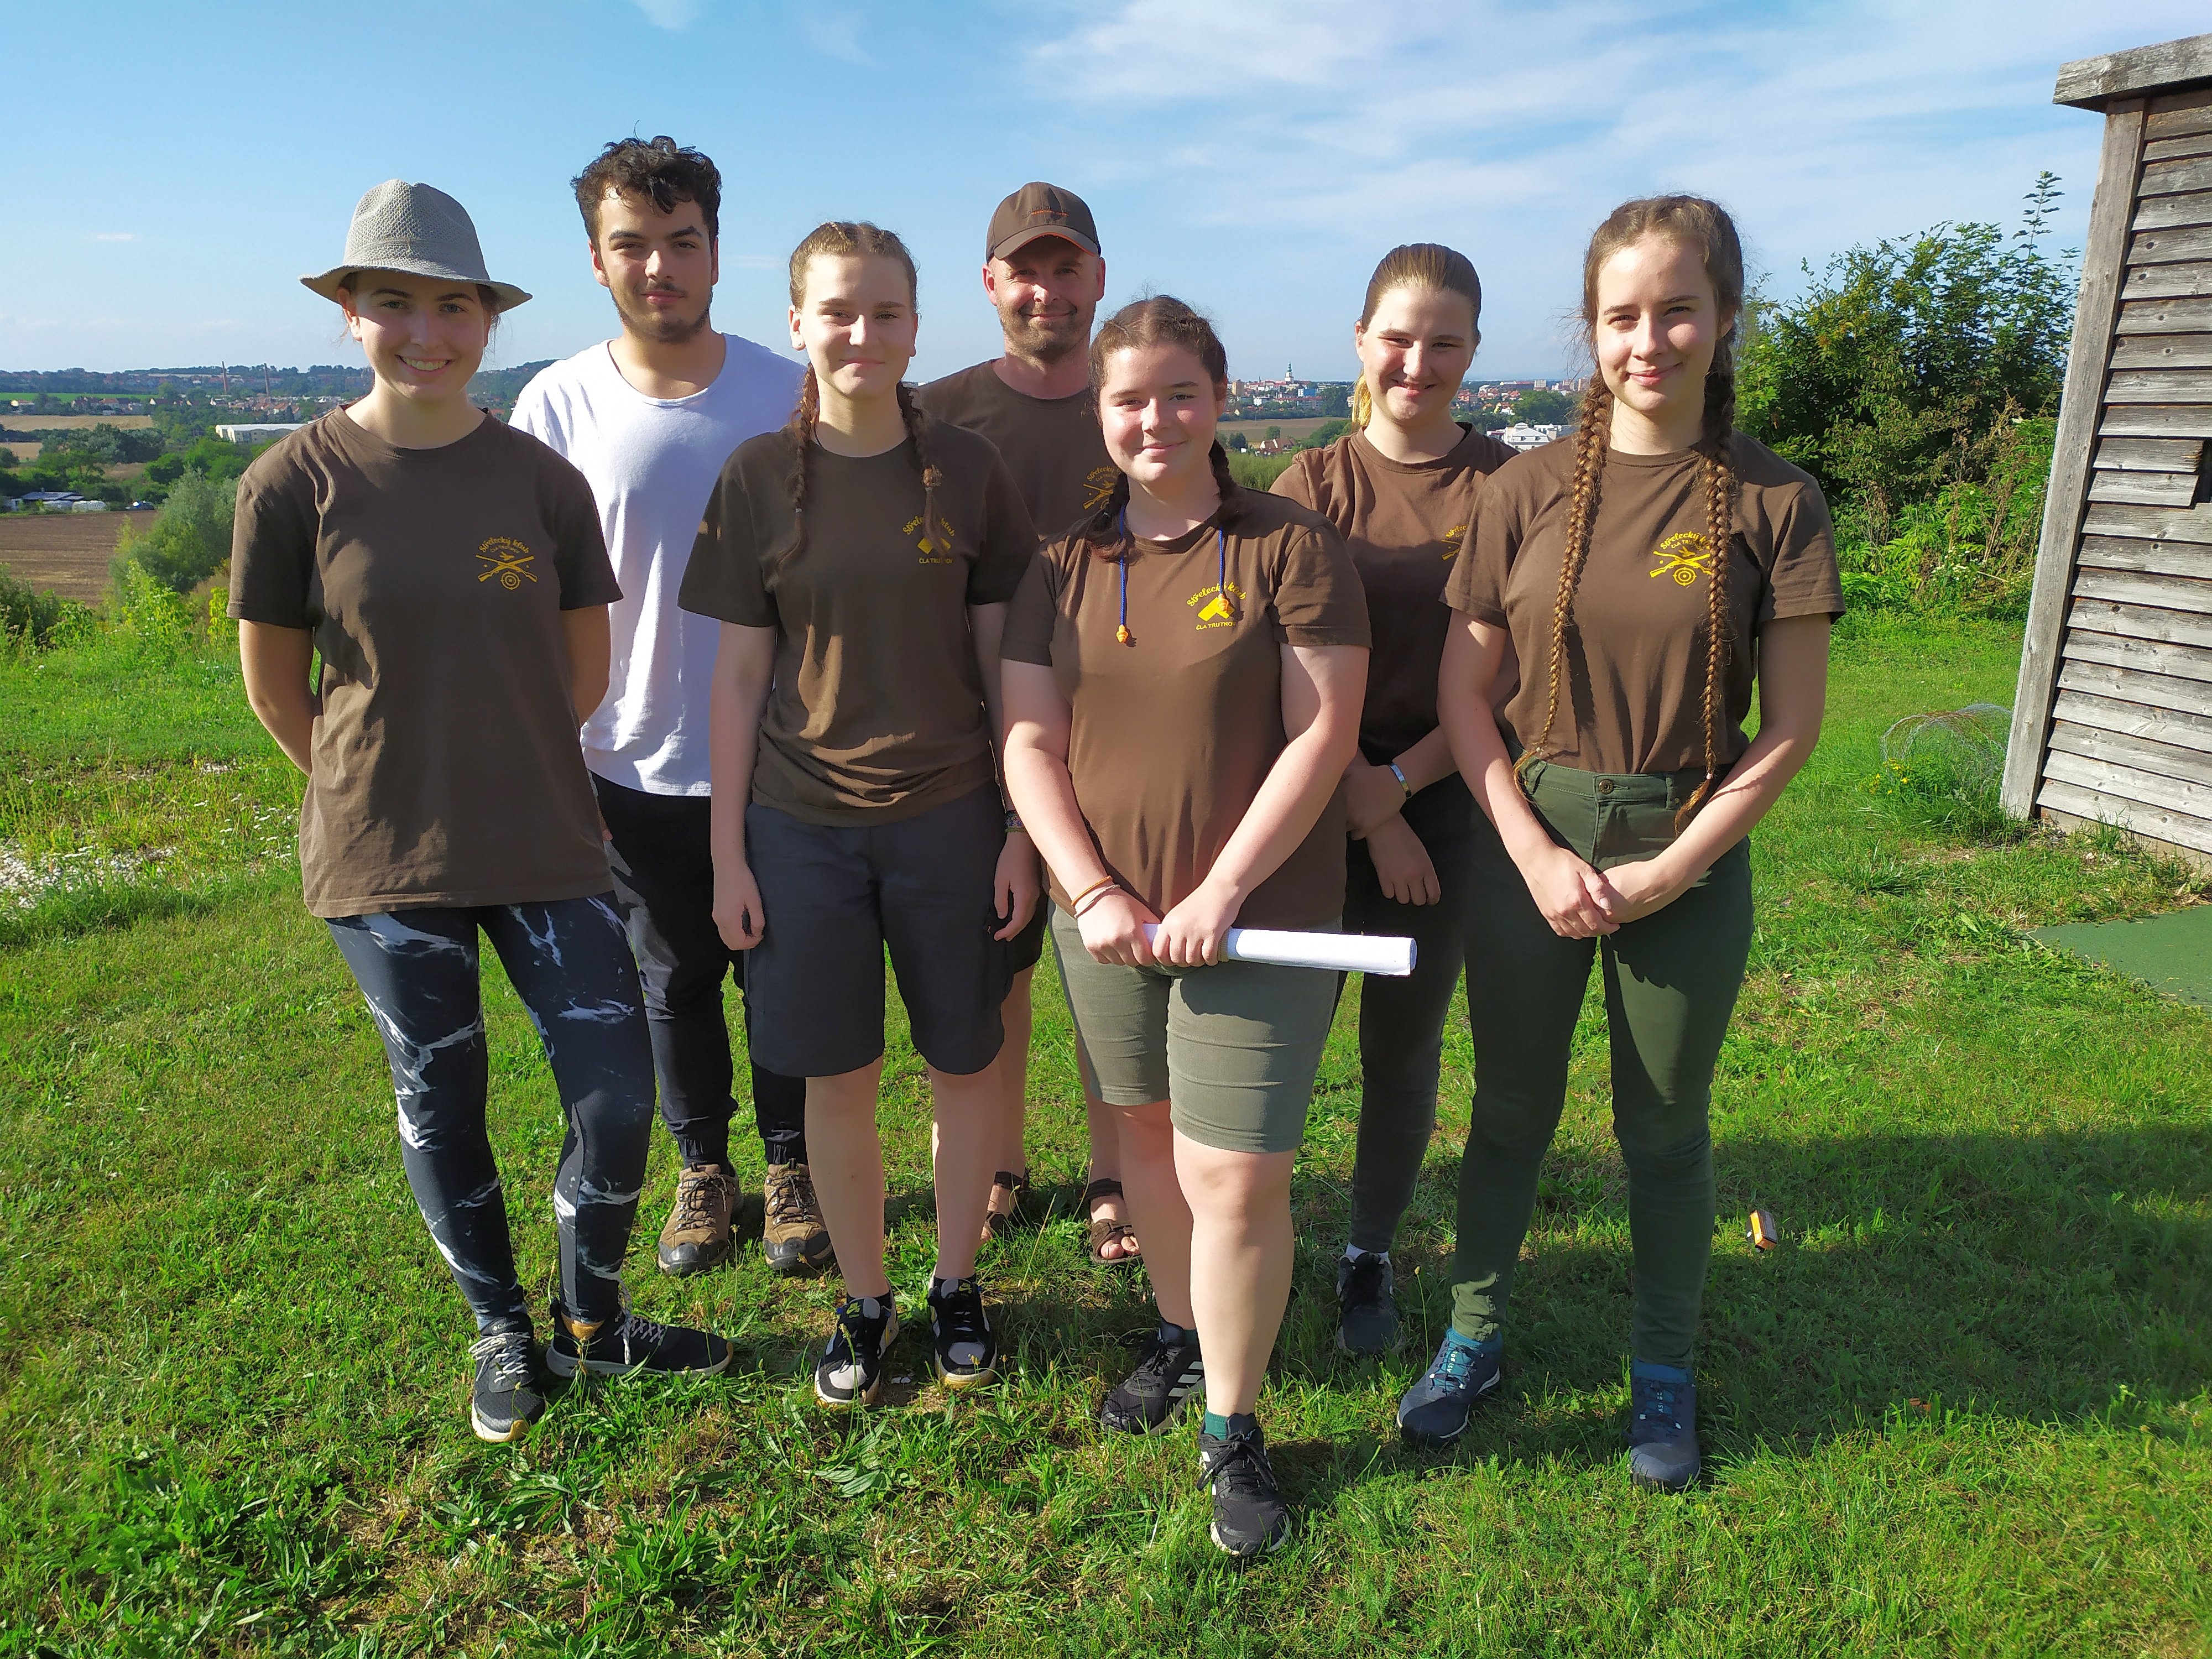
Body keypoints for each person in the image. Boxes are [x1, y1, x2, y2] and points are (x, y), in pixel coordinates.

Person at [231, 180, 731, 1446]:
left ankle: (591, 1322)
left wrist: (507, 760)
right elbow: (276, 690)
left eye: (452, 307)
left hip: (545, 836)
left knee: (614, 1097)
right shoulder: (293, 483)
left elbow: (581, 671)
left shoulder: (541, 483)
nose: (426, 333)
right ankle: (502, 1328)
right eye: (393, 303)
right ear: (352, 313)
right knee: (441, 1098)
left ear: (485, 320)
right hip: (383, 856)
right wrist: (372, 779)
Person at [1399, 196, 1841, 1490]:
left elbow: (1790, 730)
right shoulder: (1524, 490)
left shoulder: (1775, 501)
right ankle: (1473, 1336)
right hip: (1529, 833)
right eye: (1620, 316)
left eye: (1675, 311)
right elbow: (1463, 697)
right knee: (1509, 1110)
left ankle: (1662, 1372)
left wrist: (1671, 867)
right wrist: (1533, 852)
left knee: (1661, 1130)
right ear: (1591, 329)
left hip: (1683, 844)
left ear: (1725, 318)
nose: (1647, 341)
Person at [1001, 296, 1370, 1557]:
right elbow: (1029, 741)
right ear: (1099, 415)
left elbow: (1323, 732)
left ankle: (1233, 1424)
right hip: (1106, 920)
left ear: (1217, 402)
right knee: (1149, 1143)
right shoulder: (1060, 564)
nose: (1152, 419)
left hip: (1259, 920)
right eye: (1127, 399)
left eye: (1178, 394)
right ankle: (1178, 1330)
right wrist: (1091, 889)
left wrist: (1222, 892)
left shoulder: (1290, 546)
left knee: (1236, 1172)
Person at [679, 221, 1040, 1409]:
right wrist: (728, 852)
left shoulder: (969, 472)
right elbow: (737, 680)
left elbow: (1004, 669)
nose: (861, 334)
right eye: (837, 311)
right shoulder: (755, 477)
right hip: (800, 826)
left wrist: (1019, 830)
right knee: (835, 1078)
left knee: (963, 1065)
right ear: (797, 324)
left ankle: (956, 1285)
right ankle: (866, 1298)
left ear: (916, 326)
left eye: (885, 312)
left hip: (951, 815)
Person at [511, 137, 833, 1282]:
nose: (660, 266)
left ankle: (792, 1165)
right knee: (674, 977)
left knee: (782, 971)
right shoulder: (556, 404)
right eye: (632, 245)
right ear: (596, 260)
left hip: (787, 750)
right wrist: (555, 758)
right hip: (628, 752)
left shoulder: (787, 392)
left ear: (716, 250)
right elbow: (529, 599)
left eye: (682, 241)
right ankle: (705, 1171)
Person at [1270, 244, 1515, 1355]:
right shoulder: (1310, 483)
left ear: (1473, 351)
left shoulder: (1509, 486)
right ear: (1361, 343)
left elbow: (1510, 678)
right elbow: (1265, 661)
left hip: (1449, 798)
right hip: (1306, 799)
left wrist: (1403, 790)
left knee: (1402, 1048)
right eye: (1398, 339)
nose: (1418, 363)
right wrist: (1361, 806)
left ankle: (1366, 1252)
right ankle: (1254, 1236)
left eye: (1445, 343)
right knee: (1281, 1037)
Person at [915, 182, 1138, 1265]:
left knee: (1113, 964)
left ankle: (1116, 1174)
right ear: (990, 283)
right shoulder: (936, 413)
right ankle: (997, 1163)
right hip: (974, 738)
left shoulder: (1139, 396)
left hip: (1121, 737)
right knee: (991, 970)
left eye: (1065, 267)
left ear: (1097, 277)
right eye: (1025, 270)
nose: (1045, 290)